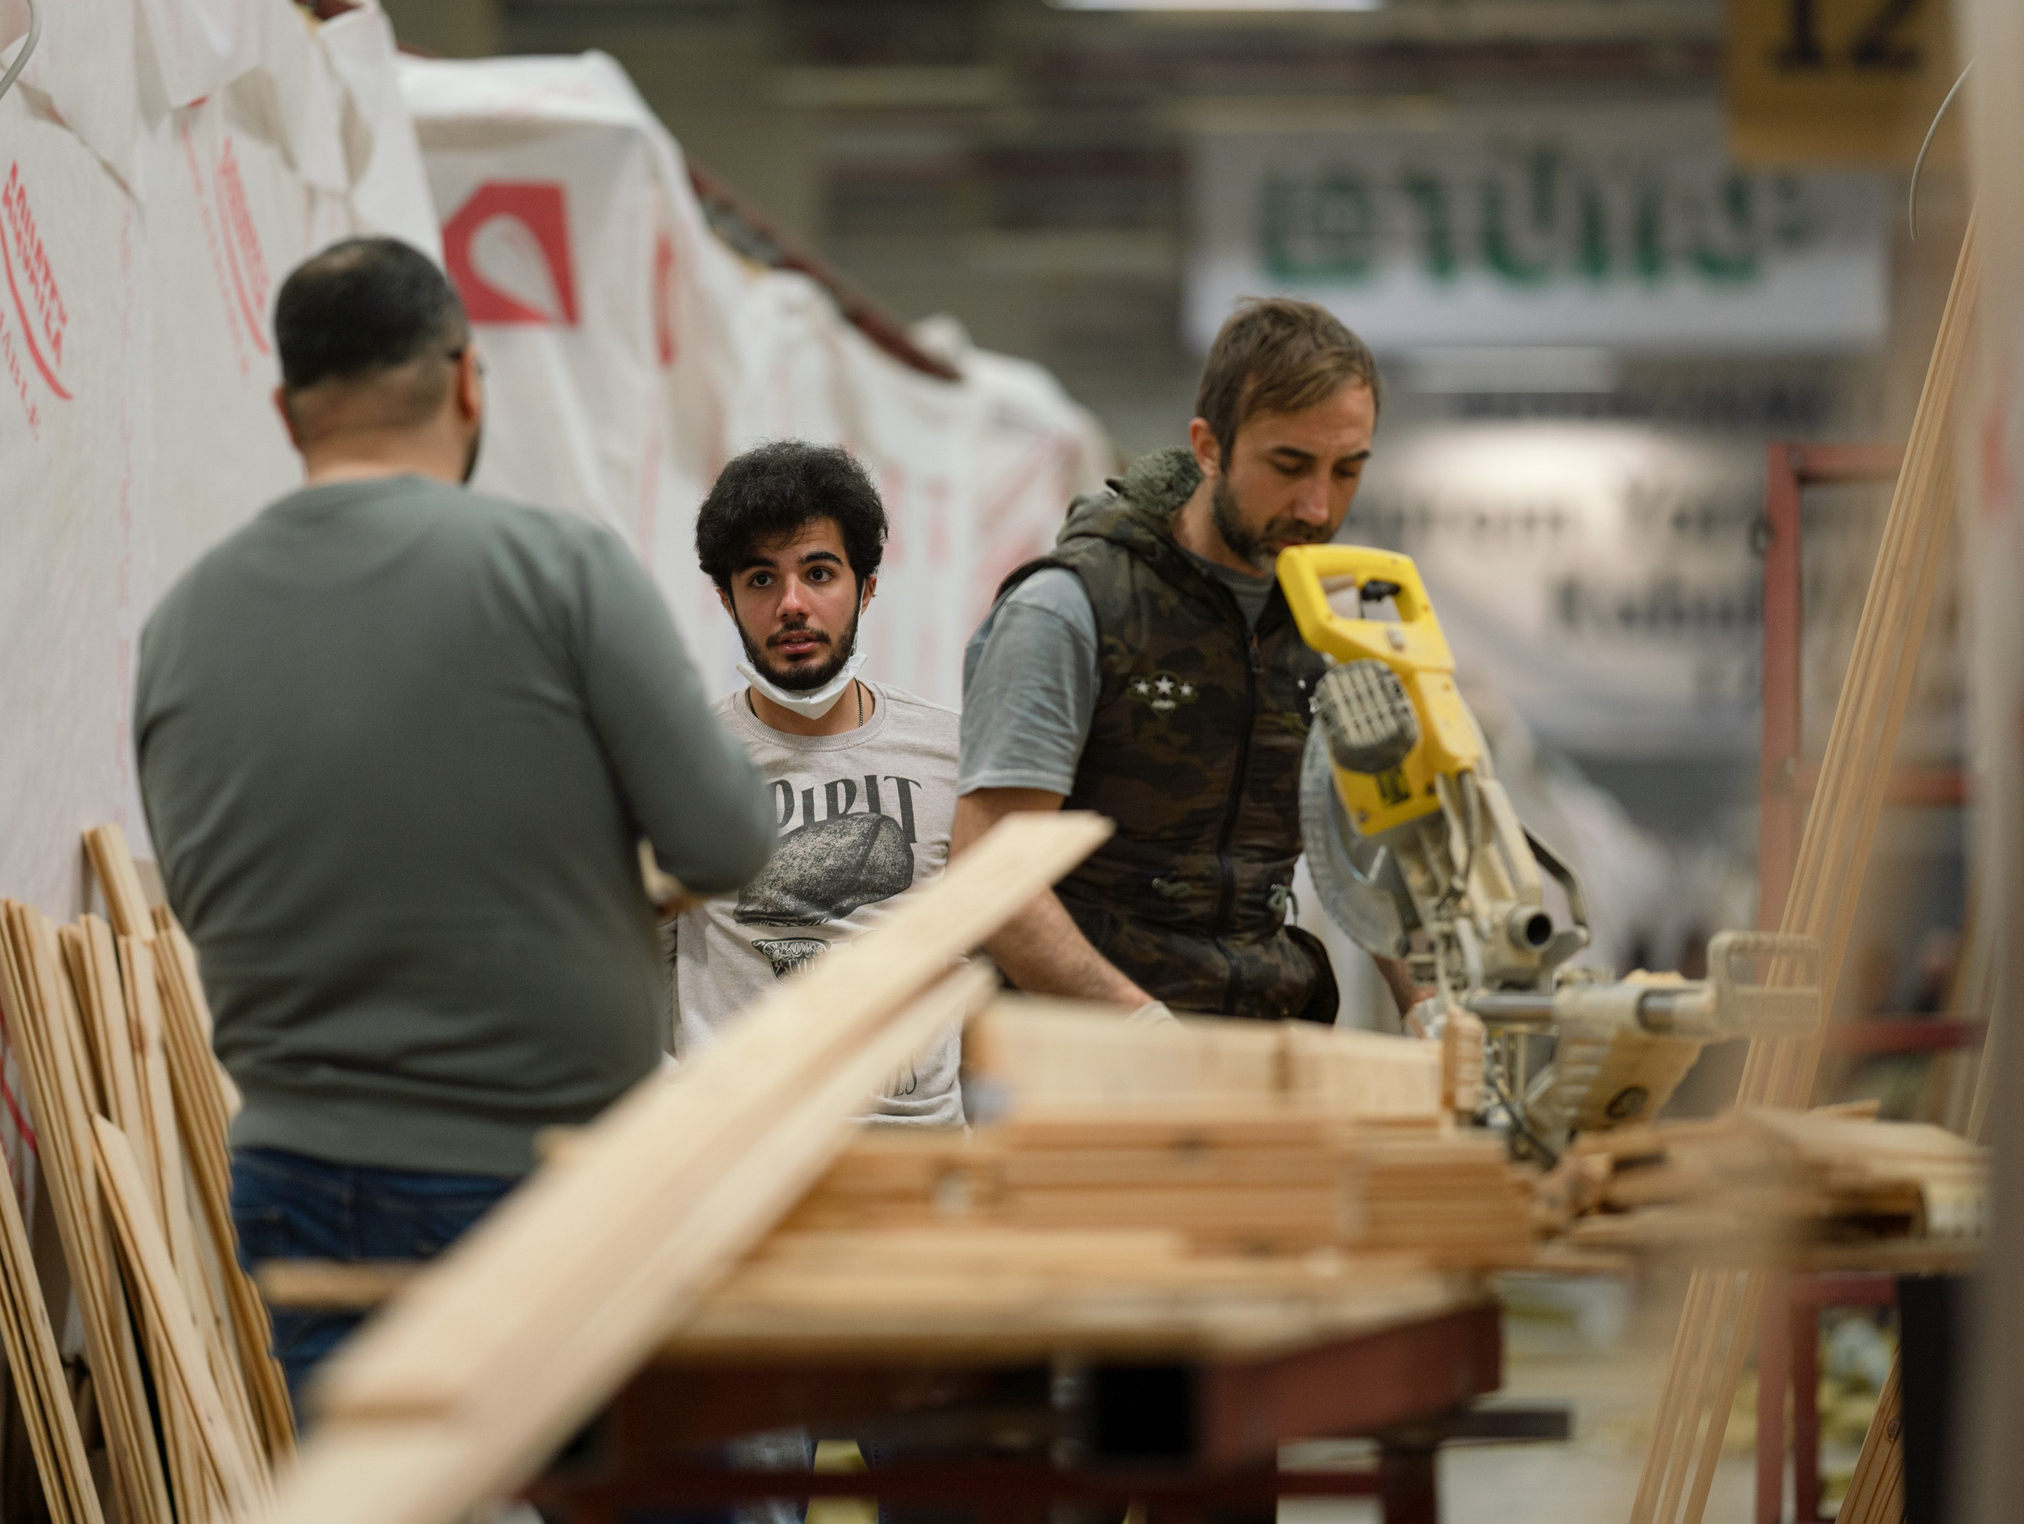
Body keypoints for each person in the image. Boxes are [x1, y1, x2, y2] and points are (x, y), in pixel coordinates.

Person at [133, 236, 772, 1413]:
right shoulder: (558, 569)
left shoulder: (184, 620)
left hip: (298, 1173)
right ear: (469, 379)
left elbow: (203, 885)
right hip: (542, 1170)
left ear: (288, 409)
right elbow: (726, 840)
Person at [954, 296, 1421, 1022]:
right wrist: (1136, 1024)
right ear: (1208, 447)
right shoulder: (1075, 610)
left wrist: (1431, 1004)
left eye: (1346, 470)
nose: (1317, 507)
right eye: (1289, 465)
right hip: (1082, 1063)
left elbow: (1377, 849)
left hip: (1261, 1045)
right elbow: (989, 875)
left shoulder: (1336, 627)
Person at [668, 441, 971, 1125]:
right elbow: (641, 962)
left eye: (820, 572)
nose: (792, 605)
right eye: (761, 580)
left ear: (866, 586)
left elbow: (979, 954)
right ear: (726, 598)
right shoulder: (683, 761)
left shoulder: (950, 752)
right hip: (736, 1151)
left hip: (916, 1156)